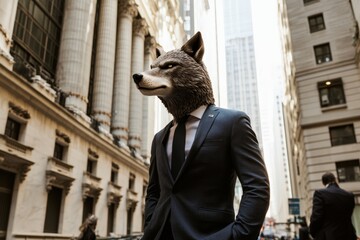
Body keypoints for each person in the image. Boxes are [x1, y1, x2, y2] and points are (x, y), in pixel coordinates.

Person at [133, 32, 270, 240]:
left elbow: (257, 187)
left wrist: (238, 235)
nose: (150, 74)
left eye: (168, 67)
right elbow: (155, 192)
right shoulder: (159, 138)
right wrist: (151, 226)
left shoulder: (233, 123)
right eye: (154, 68)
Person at [309, 172, 357, 240]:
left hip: (329, 236)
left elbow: (316, 217)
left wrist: (312, 232)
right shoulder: (349, 195)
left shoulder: (320, 194)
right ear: (335, 179)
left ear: (324, 183)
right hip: (348, 235)